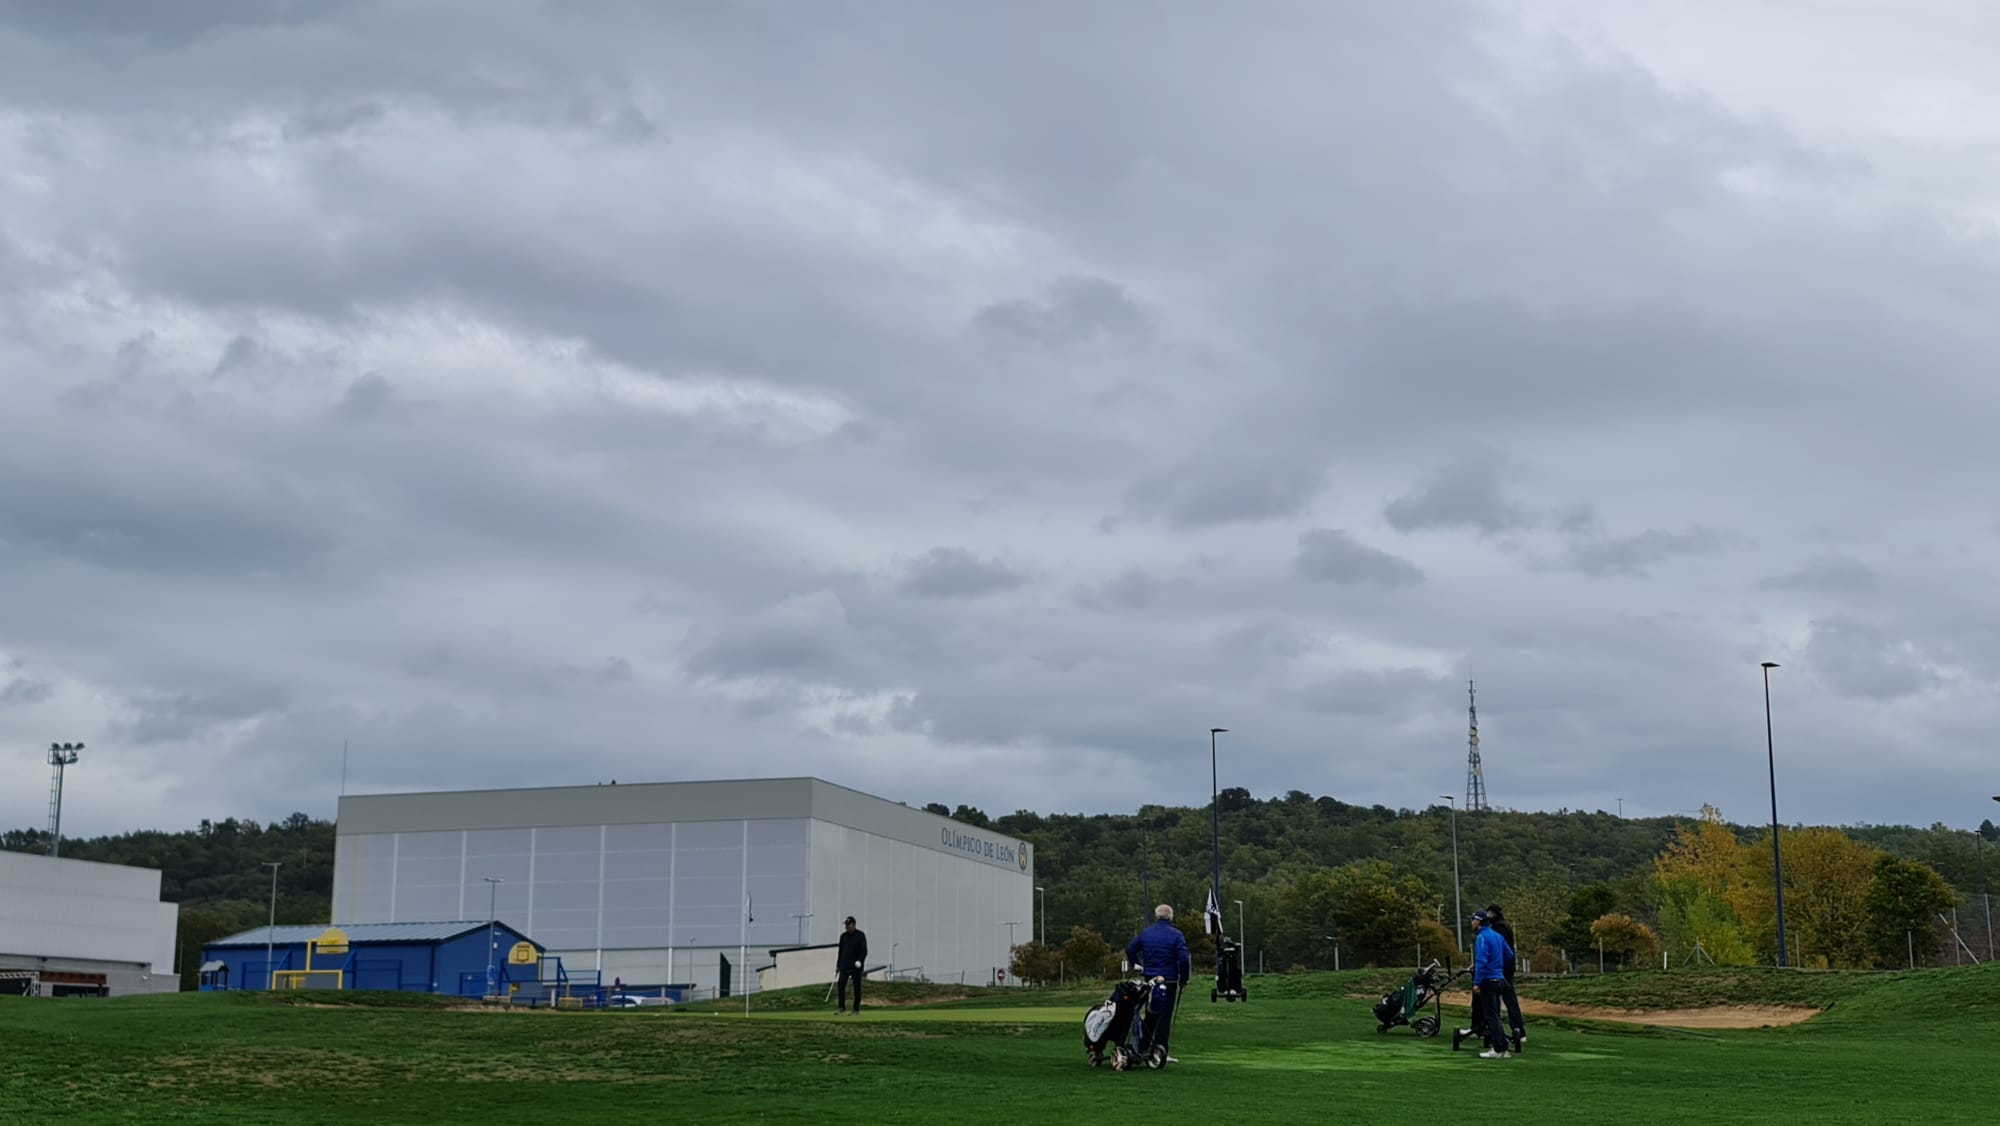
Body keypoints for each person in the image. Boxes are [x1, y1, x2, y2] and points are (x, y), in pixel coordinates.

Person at [1124, 904, 1191, 1061]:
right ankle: (1160, 1051)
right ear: (1171, 916)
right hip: (1169, 980)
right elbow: (1183, 959)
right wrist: (1184, 977)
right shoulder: (1176, 935)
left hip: (1150, 980)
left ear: (1156, 916)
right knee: (1164, 1016)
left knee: (1151, 1014)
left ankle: (1143, 1047)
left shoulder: (1146, 933)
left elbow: (1130, 949)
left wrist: (1137, 965)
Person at [1468, 910, 1514, 1059]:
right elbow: (1509, 955)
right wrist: (1498, 966)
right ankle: (1503, 1048)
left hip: (1488, 980)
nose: (1472, 923)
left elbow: (1481, 961)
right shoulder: (1498, 936)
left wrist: (1477, 982)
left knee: (1491, 1016)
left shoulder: (1482, 938)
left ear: (1479, 922)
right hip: (1499, 979)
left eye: (1473, 920)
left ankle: (1498, 1048)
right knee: (1495, 1015)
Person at [1483, 903, 1526, 1052]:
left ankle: (1515, 1030)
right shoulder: (1504, 925)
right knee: (1508, 997)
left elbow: (1499, 948)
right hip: (1506, 967)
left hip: (1502, 968)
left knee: (1507, 998)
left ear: (1492, 914)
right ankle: (1518, 1030)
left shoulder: (1499, 927)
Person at [835, 916, 868, 1013]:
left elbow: (864, 951)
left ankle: (856, 1009)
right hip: (844, 966)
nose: (846, 926)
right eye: (845, 924)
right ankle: (841, 1007)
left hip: (856, 968)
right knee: (841, 985)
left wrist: (860, 960)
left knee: (857, 988)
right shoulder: (843, 936)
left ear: (853, 924)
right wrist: (838, 965)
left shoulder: (860, 935)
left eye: (848, 924)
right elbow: (840, 952)